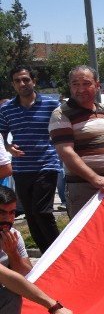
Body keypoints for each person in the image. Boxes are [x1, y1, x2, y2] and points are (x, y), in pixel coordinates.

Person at [0, 184, 73, 314]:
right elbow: (6, 276)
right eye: (2, 212)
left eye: (12, 212)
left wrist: (13, 254)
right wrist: (53, 306)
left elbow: (27, 274)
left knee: (15, 294)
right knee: (11, 293)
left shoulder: (12, 235)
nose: (8, 218)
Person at [0, 67, 62, 253]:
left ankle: (59, 253)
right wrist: (8, 147)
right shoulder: (7, 109)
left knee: (42, 211)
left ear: (33, 81)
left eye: (26, 79)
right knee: (31, 215)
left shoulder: (51, 105)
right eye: (17, 81)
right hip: (21, 168)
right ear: (13, 84)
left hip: (47, 163)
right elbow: (1, 133)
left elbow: (62, 129)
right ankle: (46, 257)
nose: (22, 84)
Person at [49, 66, 104, 218]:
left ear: (97, 85)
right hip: (84, 189)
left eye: (86, 83)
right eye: (75, 84)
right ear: (70, 86)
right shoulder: (61, 114)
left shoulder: (102, 109)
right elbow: (65, 152)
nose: (80, 89)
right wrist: (94, 178)